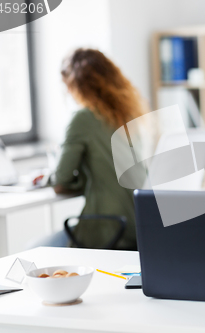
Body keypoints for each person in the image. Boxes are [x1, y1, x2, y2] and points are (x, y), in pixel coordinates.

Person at [53, 48, 149, 250]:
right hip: (140, 224)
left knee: (39, 247)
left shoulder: (84, 118)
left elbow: (61, 180)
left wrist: (77, 177)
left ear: (76, 85)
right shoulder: (128, 115)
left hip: (108, 228)